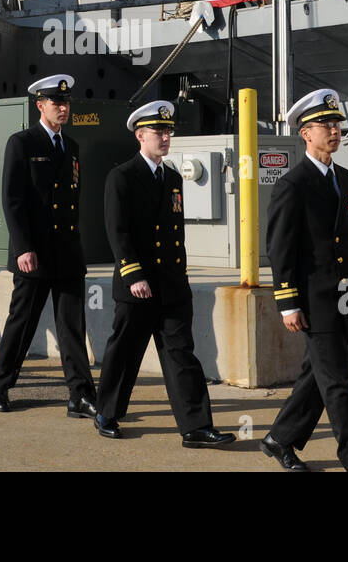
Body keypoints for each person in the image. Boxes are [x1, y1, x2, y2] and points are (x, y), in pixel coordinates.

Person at [93, 101, 237, 449]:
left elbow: (174, 234)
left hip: (171, 286)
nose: (166, 137)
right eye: (159, 132)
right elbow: (118, 231)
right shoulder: (122, 177)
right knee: (126, 351)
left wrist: (180, 279)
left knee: (181, 355)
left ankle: (196, 427)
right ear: (140, 135)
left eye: (168, 131)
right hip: (137, 286)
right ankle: (106, 413)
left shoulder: (173, 177)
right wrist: (133, 274)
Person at [260, 89, 348, 472]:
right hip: (313, 301)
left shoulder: (347, 180)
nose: (334, 130)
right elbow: (280, 248)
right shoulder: (293, 185)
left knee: (317, 377)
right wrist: (287, 302)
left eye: (336, 123)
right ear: (305, 134)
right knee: (339, 383)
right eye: (325, 124)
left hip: (345, 297)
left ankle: (279, 438)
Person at [0, 74, 97, 416]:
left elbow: (73, 200)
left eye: (66, 103)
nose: (63, 108)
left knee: (72, 329)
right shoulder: (22, 142)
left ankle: (80, 395)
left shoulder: (72, 147)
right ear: (40, 106)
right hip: (33, 254)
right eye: (56, 103)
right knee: (21, 325)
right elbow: (13, 200)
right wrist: (23, 248)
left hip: (66, 252)